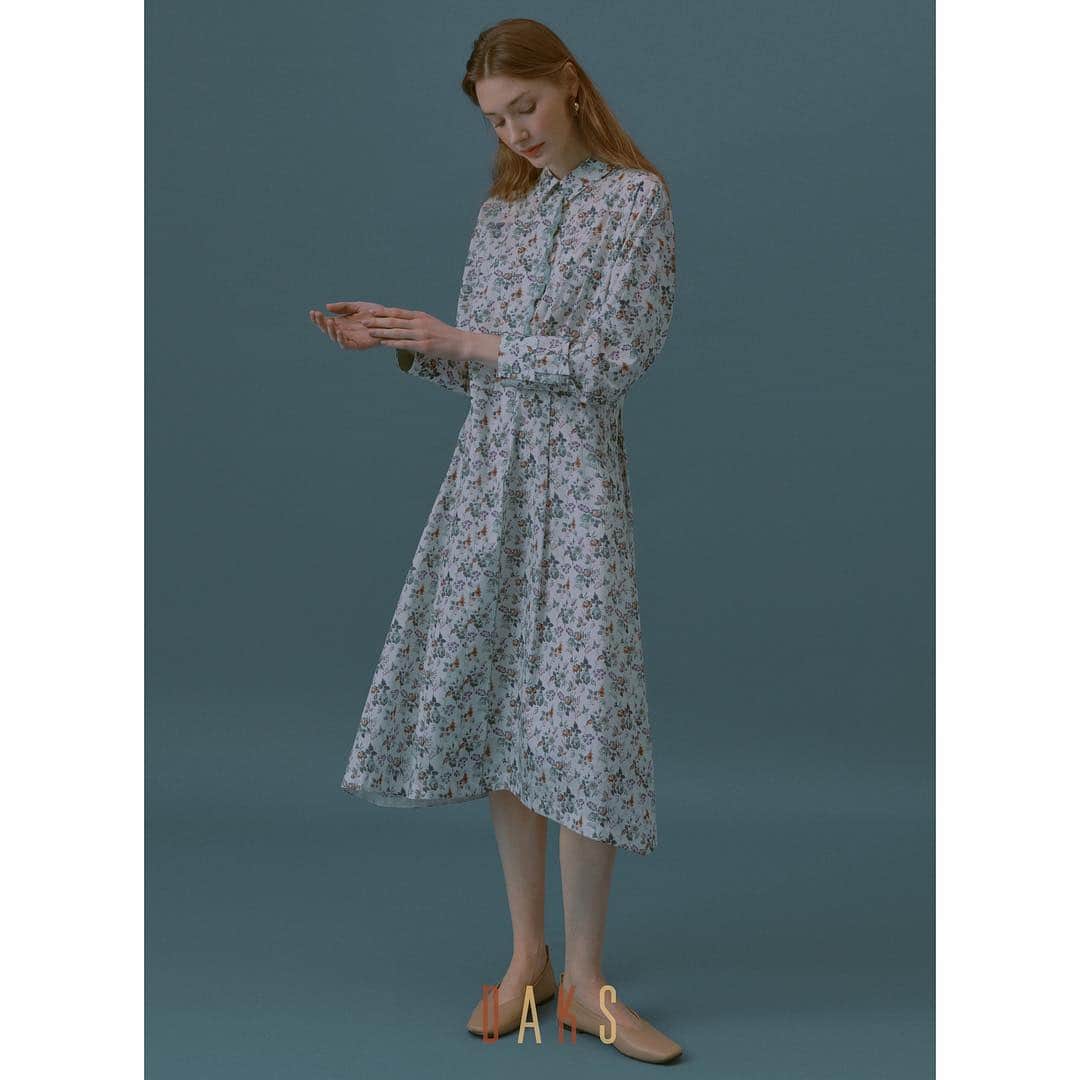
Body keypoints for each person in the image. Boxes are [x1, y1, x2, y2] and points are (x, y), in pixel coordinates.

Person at [308, 18, 681, 1065]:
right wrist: (399, 338)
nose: (515, 132)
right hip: (490, 485)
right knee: (508, 707)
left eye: (526, 107)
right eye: (495, 119)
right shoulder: (501, 215)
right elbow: (484, 365)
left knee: (583, 717)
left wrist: (463, 338)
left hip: (578, 484)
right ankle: (530, 960)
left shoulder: (635, 202)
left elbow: (610, 360)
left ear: (568, 84)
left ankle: (591, 984)